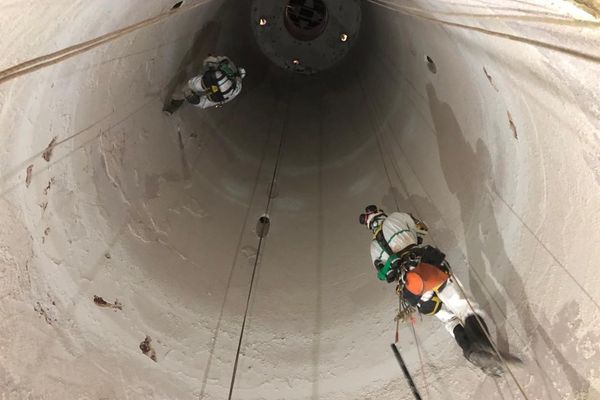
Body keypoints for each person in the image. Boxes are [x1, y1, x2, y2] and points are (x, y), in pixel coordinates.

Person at [359, 204, 505, 376]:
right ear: (380, 213)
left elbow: (386, 276)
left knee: (448, 319)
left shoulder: (374, 247)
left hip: (412, 288)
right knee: (463, 306)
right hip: (427, 267)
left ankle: (470, 352)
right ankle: (483, 346)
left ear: (369, 224)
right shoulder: (397, 217)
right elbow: (422, 229)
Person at [163, 55, 246, 114]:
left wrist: (208, 62)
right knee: (203, 103)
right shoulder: (237, 89)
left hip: (213, 80)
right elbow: (227, 99)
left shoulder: (231, 68)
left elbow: (219, 60)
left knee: (191, 85)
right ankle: (191, 98)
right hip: (220, 94)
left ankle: (176, 103)